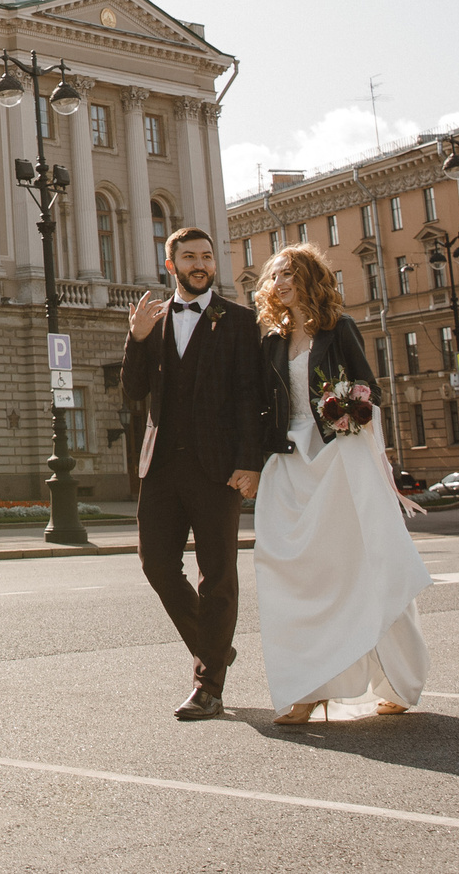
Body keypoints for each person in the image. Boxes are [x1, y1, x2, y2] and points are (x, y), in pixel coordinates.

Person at [251, 245, 432, 724]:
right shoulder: (271, 338)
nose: (280, 282)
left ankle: (396, 680)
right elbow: (261, 404)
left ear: (309, 278)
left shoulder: (338, 329)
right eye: (274, 276)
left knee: (364, 571)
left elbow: (367, 389)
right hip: (290, 464)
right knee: (294, 576)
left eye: (289, 273)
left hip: (340, 458)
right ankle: (307, 687)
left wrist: (349, 411)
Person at [121, 226, 270, 722]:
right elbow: (133, 390)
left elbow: (253, 398)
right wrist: (136, 338)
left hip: (218, 469)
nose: (201, 264)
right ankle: (215, 647)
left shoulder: (241, 322)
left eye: (207, 256)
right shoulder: (155, 322)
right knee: (156, 565)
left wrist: (251, 462)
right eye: (190, 257)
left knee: (218, 577)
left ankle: (208, 684)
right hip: (160, 465)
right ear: (172, 266)